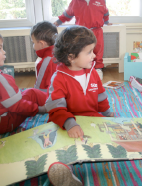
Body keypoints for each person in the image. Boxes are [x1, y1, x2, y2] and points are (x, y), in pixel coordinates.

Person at [45, 25, 113, 185]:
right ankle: (65, 173)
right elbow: (56, 109)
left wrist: (108, 113)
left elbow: (101, 96)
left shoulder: (93, 72)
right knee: (61, 148)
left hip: (91, 118)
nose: (94, 55)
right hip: (66, 122)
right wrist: (70, 124)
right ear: (71, 57)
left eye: (93, 51)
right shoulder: (59, 78)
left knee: (109, 139)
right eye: (89, 52)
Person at [53, 0, 112, 80]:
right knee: (81, 50)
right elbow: (67, 13)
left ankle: (98, 68)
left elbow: (105, 12)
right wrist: (58, 22)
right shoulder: (76, 0)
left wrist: (106, 22)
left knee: (98, 50)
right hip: (81, 32)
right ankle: (82, 68)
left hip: (96, 30)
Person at [30, 21, 58, 92]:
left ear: (42, 44)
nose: (33, 45)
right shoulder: (60, 54)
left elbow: (39, 88)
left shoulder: (45, 62)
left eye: (33, 43)